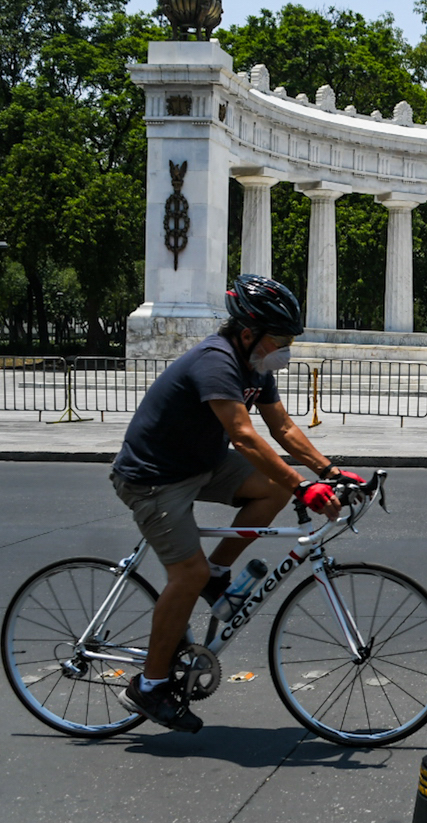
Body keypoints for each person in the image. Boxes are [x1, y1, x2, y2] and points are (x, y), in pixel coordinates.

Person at [109, 275, 359, 732]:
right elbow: (244, 436)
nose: (285, 349)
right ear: (249, 334)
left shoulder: (255, 366)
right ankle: (149, 685)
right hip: (153, 478)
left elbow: (281, 428)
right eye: (280, 340)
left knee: (274, 488)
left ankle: (219, 574)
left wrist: (328, 472)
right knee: (188, 573)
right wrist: (305, 488)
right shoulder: (217, 361)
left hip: (199, 466)